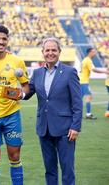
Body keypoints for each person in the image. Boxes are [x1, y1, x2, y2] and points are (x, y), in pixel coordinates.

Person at [24, 37, 82, 185]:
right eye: (47, 50)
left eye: (53, 50)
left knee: (67, 169)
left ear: (59, 52)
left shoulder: (70, 72)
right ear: (42, 52)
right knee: (49, 170)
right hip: (44, 128)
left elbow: (77, 102)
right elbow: (26, 94)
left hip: (65, 130)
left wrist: (75, 127)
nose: (50, 53)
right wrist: (11, 92)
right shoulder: (37, 73)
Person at [0, 25, 29, 185]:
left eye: (4, 39)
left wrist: (20, 94)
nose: (1, 42)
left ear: (7, 40)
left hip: (12, 116)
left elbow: (26, 85)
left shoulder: (17, 61)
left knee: (15, 156)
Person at [79, 47, 109, 119]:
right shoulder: (88, 60)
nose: (94, 53)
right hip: (83, 82)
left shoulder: (85, 60)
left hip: (82, 81)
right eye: (93, 52)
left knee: (80, 98)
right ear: (90, 52)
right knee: (88, 96)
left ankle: (82, 113)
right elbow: (94, 69)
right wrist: (105, 72)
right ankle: (88, 114)